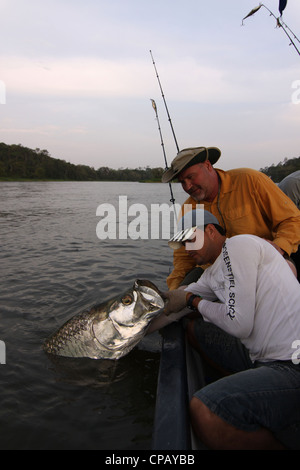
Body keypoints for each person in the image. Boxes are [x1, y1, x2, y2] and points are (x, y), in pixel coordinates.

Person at [163, 209, 300, 450]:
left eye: (190, 239)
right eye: (183, 243)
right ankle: (247, 391)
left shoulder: (239, 245)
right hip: (260, 357)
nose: (187, 248)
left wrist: (193, 302)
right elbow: (175, 304)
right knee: (194, 329)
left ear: (211, 230)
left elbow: (239, 323)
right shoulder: (212, 273)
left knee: (204, 410)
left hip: (291, 364)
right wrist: (134, 325)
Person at [162, 147, 300, 289]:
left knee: (281, 278)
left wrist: (279, 247)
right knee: (177, 302)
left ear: (208, 166)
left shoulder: (250, 180)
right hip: (212, 270)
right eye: (182, 182)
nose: (188, 186)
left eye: (190, 177)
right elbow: (183, 258)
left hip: (262, 261)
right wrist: (173, 289)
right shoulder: (188, 208)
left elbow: (292, 219)